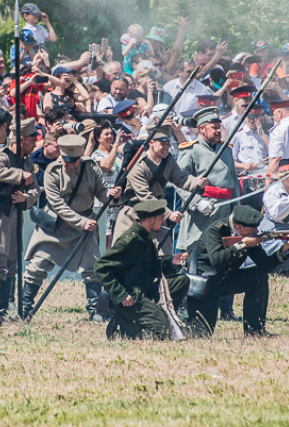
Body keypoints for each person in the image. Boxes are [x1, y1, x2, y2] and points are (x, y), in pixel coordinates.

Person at [21, 135, 122, 321]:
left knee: (91, 268)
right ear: (62, 156)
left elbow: (100, 190)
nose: (73, 165)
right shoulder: (52, 171)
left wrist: (110, 194)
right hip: (57, 225)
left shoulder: (90, 167)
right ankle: (25, 308)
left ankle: (95, 311)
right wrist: (81, 222)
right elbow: (57, 204)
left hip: (85, 224)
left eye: (75, 161)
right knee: (38, 266)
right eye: (68, 161)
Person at [185, 205, 289, 335]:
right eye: (253, 229)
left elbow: (265, 265)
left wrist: (285, 247)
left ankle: (254, 330)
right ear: (239, 227)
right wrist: (242, 244)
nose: (257, 231)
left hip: (225, 280)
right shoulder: (216, 231)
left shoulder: (248, 236)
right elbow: (217, 260)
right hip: (205, 287)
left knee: (259, 276)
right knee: (201, 333)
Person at [175, 107, 241, 321]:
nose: (218, 131)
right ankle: (186, 305)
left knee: (226, 260)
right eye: (213, 128)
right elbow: (180, 183)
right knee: (193, 260)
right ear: (202, 129)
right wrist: (197, 202)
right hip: (200, 215)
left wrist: (236, 211)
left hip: (224, 211)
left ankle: (226, 308)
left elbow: (233, 182)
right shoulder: (190, 150)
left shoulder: (227, 150)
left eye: (218, 127)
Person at [94, 199, 190, 340]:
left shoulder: (145, 236)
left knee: (182, 281)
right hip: (132, 296)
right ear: (150, 220)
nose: (163, 222)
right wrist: (120, 294)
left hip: (146, 288)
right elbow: (100, 266)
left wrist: (171, 263)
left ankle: (160, 313)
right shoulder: (131, 240)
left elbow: (149, 269)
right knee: (163, 330)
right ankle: (124, 323)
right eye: (160, 218)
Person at [0, 118, 40, 324]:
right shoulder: (2, 156)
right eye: (32, 139)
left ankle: (3, 309)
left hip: (14, 215)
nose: (35, 143)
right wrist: (19, 174)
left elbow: (35, 189)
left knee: (11, 263)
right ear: (22, 140)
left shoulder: (27, 161)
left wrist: (27, 198)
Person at [112, 124, 207, 253]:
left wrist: (197, 182)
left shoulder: (168, 161)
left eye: (168, 144)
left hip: (157, 217)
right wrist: (169, 214)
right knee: (129, 257)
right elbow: (145, 196)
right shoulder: (137, 164)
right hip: (134, 217)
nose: (166, 148)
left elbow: (181, 178)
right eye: (163, 144)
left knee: (164, 257)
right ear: (151, 142)